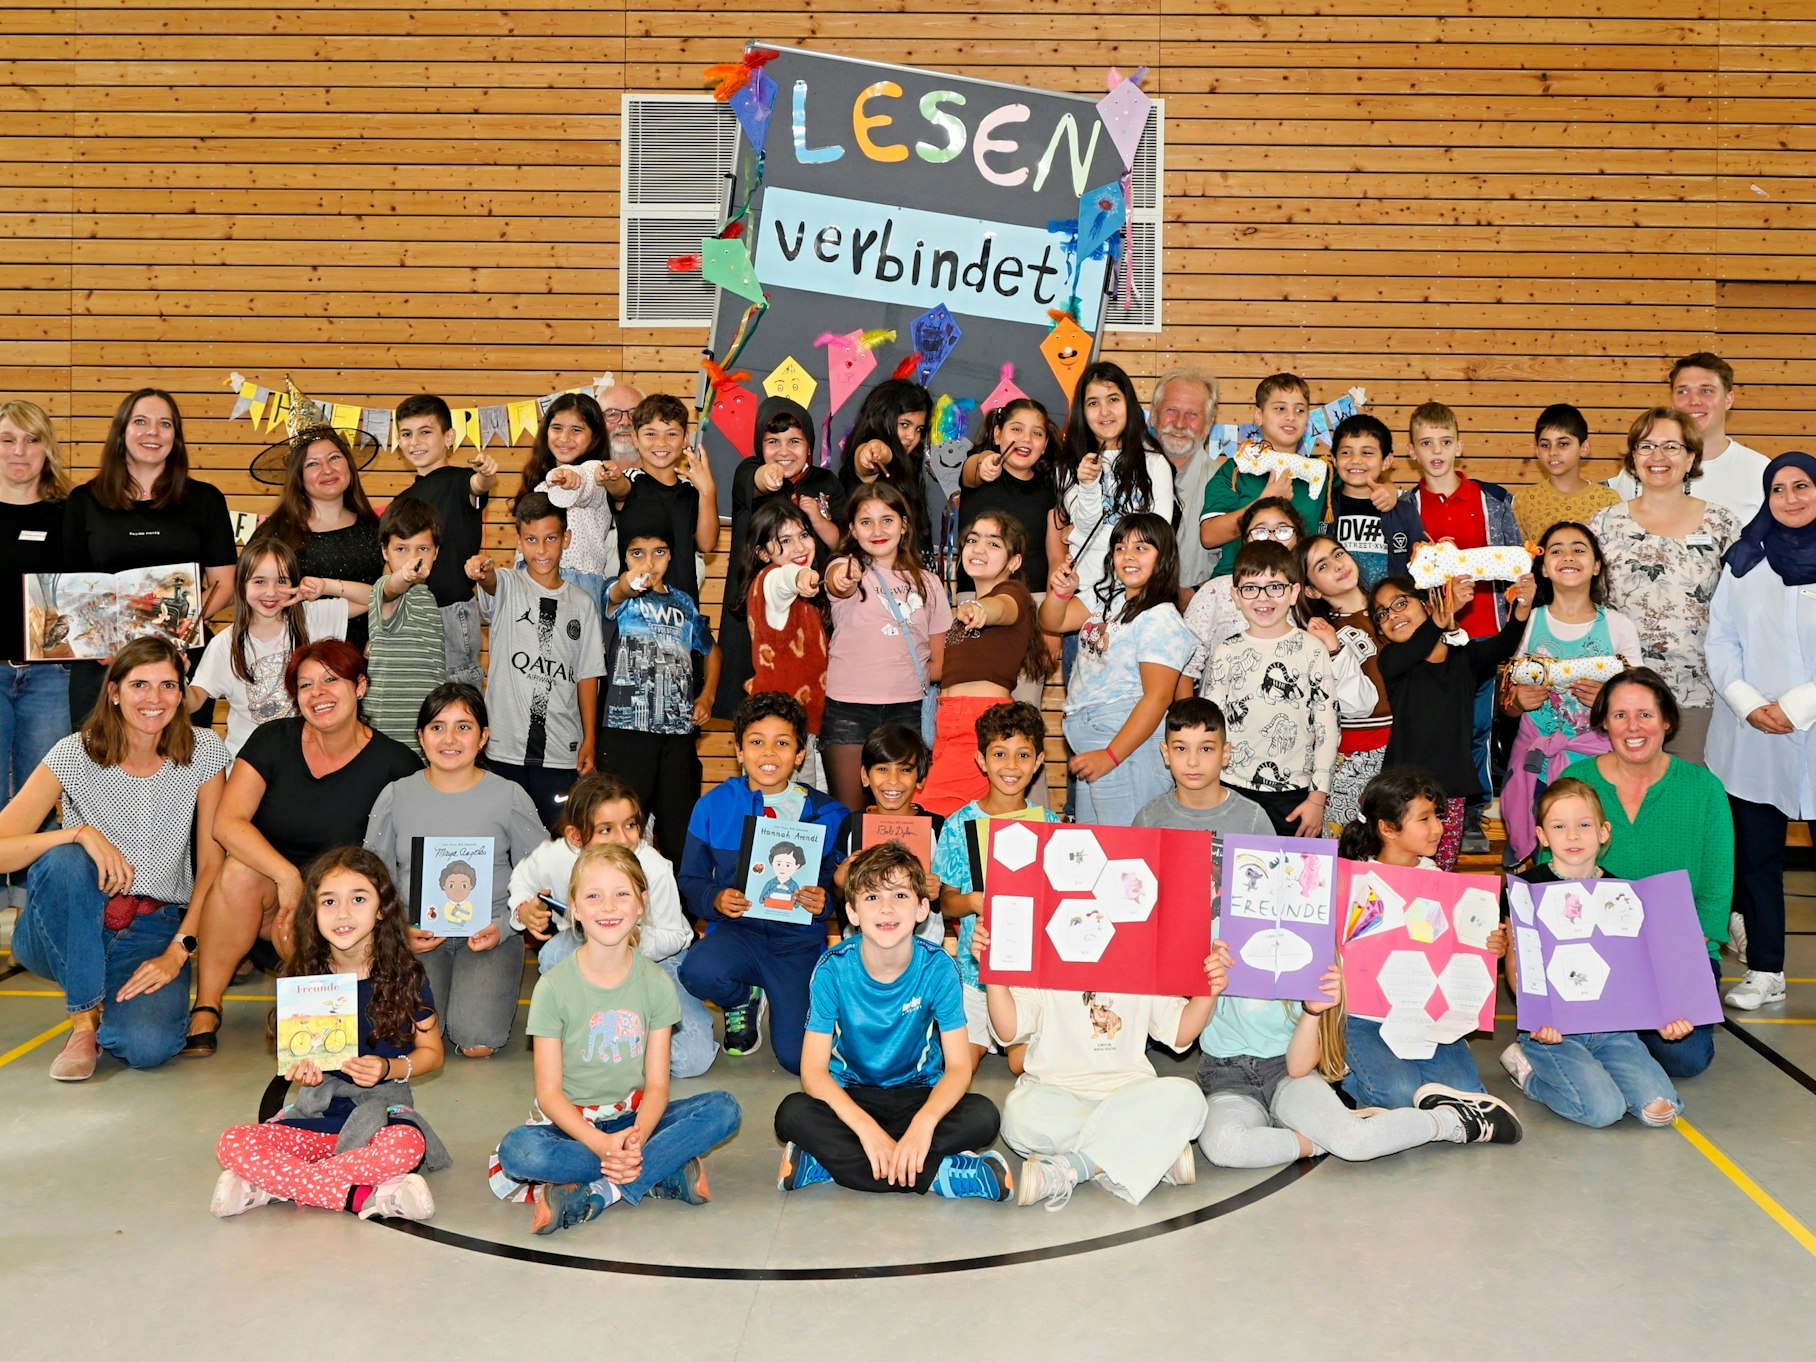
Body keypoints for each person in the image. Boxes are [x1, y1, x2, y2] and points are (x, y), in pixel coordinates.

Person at [0, 636, 230, 1079]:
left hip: (150, 925)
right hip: (68, 920)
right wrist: (79, 833)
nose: (154, 698)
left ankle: (100, 990)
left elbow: (212, 866)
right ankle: (84, 1023)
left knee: (148, 1047)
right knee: (67, 859)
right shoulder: (74, 752)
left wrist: (179, 950)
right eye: (139, 685)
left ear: (181, 694)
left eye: (167, 685)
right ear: (114, 692)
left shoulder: (204, 751)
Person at [492, 843, 742, 1232]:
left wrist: (636, 1138)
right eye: (593, 896)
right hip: (572, 1128)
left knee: (724, 1109)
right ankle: (661, 1169)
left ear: (641, 904)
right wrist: (602, 1145)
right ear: (574, 908)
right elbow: (550, 1095)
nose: (608, 907)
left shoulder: (657, 984)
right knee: (519, 1152)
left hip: (637, 1119)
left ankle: (601, 1191)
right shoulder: (553, 988)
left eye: (622, 894)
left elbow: (657, 1086)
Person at [188, 640, 420, 1054]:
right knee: (239, 869)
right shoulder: (272, 739)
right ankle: (206, 1005)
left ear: (360, 686)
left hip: (342, 911)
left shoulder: (396, 763)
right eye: (306, 685)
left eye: (331, 680)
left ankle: (318, 1017)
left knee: (334, 911)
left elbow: (412, 853)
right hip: (268, 903)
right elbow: (226, 823)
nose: (318, 693)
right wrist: (288, 878)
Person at [210, 848, 447, 1221]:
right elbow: (301, 1054)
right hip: (317, 1116)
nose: (343, 913)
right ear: (313, 912)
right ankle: (360, 1196)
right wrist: (305, 1073)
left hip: (379, 1118)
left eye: (358, 899)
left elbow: (432, 1053)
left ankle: (272, 1186)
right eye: (329, 901)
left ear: (382, 909)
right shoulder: (305, 978)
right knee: (233, 1142)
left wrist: (389, 1068)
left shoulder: (407, 976)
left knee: (406, 1146)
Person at [774, 843, 1010, 1201]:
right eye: (871, 897)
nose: (886, 908)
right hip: (853, 1094)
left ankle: (831, 1163)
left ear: (922, 908)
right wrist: (867, 1130)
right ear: (852, 912)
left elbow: (960, 1068)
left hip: (918, 1094)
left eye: (900, 895)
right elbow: (814, 1072)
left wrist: (923, 1125)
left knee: (984, 1115)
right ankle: (937, 1175)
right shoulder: (832, 968)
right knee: (792, 1113)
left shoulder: (939, 967)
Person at [1196, 949, 1521, 1169]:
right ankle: (1325, 1137)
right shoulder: (1216, 934)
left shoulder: (1313, 948)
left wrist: (1312, 1012)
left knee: (1354, 1142)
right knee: (1224, 1147)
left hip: (1287, 1072)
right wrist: (1205, 978)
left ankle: (1457, 1121)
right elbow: (1181, 1036)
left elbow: (1297, 1068)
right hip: (1227, 1078)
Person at [972, 919, 1215, 1209]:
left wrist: (1209, 990)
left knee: (1189, 1098)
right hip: (1057, 1095)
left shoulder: (1142, 952)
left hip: (1128, 1096)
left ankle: (1073, 1168)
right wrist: (995, 973)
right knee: (1018, 1114)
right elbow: (1008, 1031)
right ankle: (1149, 1152)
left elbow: (1179, 1032)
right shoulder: (1041, 951)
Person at [1560, 669, 1731, 1078]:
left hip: (1677, 956)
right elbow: (1555, 879)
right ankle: (1618, 1030)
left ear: (1666, 720)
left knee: (1684, 1059)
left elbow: (1716, 890)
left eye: (1645, 715)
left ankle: (1619, 1032)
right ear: (1604, 722)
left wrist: (1675, 959)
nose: (1633, 727)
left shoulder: (1704, 788)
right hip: (1595, 953)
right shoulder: (1575, 783)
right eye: (1620, 715)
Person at [365, 683, 545, 1059]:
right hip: (418, 935)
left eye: (463, 727)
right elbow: (371, 880)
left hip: (489, 933)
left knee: (477, 1042)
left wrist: (506, 926)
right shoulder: (395, 795)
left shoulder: (509, 795)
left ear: (483, 737)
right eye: (437, 727)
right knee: (408, 1038)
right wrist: (398, 933)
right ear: (421, 737)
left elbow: (542, 876)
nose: (449, 738)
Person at [1499, 778, 1685, 1128]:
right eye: (1559, 826)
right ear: (1542, 836)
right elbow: (1516, 964)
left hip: (1614, 1029)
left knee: (1660, 1109)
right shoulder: (1525, 889)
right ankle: (1529, 1073)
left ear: (1603, 832)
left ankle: (1599, 1072)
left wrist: (1668, 1013)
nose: (1572, 836)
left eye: (1584, 825)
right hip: (1555, 1030)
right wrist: (1538, 1018)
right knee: (1603, 1111)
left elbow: (1641, 967)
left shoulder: (1621, 892)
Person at [677, 692, 848, 1071]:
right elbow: (690, 879)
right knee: (697, 971)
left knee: (798, 1059)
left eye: (782, 743)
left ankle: (797, 1000)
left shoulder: (829, 814)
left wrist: (826, 902)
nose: (769, 753)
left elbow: (838, 888)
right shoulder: (714, 805)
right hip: (738, 933)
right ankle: (743, 997)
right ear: (738, 750)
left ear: (800, 754)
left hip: (797, 944)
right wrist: (715, 898)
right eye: (756, 742)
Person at [508, 771, 719, 1077]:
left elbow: (676, 935)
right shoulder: (557, 856)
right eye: (606, 829)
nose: (622, 838)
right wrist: (523, 909)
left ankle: (625, 1038)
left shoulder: (654, 867)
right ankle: (584, 1029)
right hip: (586, 945)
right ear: (576, 837)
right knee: (554, 954)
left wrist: (635, 940)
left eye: (630, 825)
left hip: (655, 959)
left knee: (692, 1060)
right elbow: (522, 878)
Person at [1334, 768, 1514, 1110]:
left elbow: (1461, 948)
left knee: (1464, 1092)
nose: (1438, 828)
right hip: (1364, 1018)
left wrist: (1493, 947)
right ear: (1388, 828)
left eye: (1437, 816)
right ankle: (1346, 1076)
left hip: (1431, 1018)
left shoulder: (1441, 882)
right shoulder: (1353, 881)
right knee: (1398, 1093)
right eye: (1424, 819)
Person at [1707, 451, 1816, 1010]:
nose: (1790, 498)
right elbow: (1721, 639)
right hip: (1750, 732)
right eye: (1778, 489)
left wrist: (1798, 706)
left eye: (1802, 486)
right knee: (1758, 859)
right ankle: (1766, 969)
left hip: (1808, 723)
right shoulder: (1745, 561)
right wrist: (1748, 704)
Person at [61, 388, 235, 726]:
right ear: (121, 431)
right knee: (100, 755)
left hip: (181, 655)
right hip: (105, 661)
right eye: (140, 422)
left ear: (176, 437)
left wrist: (172, 633)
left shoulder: (205, 500)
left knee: (180, 754)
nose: (152, 432)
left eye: (164, 424)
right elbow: (72, 589)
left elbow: (224, 584)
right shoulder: (83, 501)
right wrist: (103, 643)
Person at [1402, 400, 1524, 855]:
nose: (1436, 452)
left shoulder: (1492, 502)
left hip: (1484, 634)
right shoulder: (1406, 507)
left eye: (1445, 442)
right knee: (1435, 728)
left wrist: (1517, 603)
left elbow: (1515, 562)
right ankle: (1431, 813)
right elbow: (1402, 577)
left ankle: (1472, 812)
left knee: (1477, 728)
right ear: (1412, 451)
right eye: (1426, 443)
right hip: (1432, 638)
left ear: (1460, 446)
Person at [1590, 407, 1742, 765]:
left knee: (1689, 794)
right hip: (1620, 694)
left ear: (1691, 458)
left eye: (1671, 446)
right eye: (1646, 446)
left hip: (1698, 694)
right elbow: (1584, 606)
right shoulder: (1604, 523)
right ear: (1633, 458)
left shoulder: (1722, 524)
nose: (1657, 456)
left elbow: (1742, 610)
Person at [1498, 521, 1641, 863]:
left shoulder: (1619, 626)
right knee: (1549, 858)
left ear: (1596, 565)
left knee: (1604, 854)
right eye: (1556, 550)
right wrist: (1518, 701)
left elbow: (1640, 700)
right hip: (1539, 764)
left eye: (1579, 549)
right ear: (1544, 568)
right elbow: (1506, 702)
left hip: (1603, 764)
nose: (1568, 556)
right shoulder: (1526, 623)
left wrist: (1609, 701)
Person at [1040, 513, 1195, 825]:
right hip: (1094, 743)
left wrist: (1110, 755)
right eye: (1120, 548)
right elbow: (1052, 621)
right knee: (1097, 845)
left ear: (1163, 557)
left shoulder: (1161, 617)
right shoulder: (1106, 598)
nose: (1128, 556)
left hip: (1124, 746)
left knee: (1128, 845)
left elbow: (1157, 698)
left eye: (1141, 548)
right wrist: (1060, 592)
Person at [1373, 572, 1535, 868]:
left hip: (1452, 790)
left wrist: (1522, 609)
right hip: (1402, 791)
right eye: (1382, 613)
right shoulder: (1391, 660)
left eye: (1400, 603)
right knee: (1400, 869)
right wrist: (1439, 618)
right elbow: (1414, 649)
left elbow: (1502, 646)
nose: (1391, 615)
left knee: (1441, 872)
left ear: (1426, 604)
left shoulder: (1464, 657)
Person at [466, 493, 604, 829]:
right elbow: (490, 581)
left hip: (560, 752)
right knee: (501, 839)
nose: (541, 550)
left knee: (557, 842)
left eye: (550, 539)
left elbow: (587, 676)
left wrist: (589, 739)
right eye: (531, 540)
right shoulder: (508, 584)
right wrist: (480, 571)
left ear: (566, 539)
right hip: (504, 749)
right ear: (518, 541)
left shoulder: (582, 604)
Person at [933, 701, 1058, 1064]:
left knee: (1024, 1065)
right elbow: (946, 902)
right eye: (1000, 754)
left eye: (1023, 755)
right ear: (981, 760)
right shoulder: (959, 824)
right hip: (975, 976)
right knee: (959, 1065)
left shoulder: (1050, 824)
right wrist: (974, 901)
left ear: (1038, 762)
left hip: (1028, 978)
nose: (1011, 765)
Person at [819, 481, 952, 812]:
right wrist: (845, 577)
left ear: (904, 525)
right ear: (852, 529)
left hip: (909, 711)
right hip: (848, 710)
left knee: (901, 818)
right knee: (848, 817)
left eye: (887, 520)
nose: (877, 530)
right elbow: (838, 582)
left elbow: (939, 662)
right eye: (866, 522)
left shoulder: (930, 583)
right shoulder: (845, 568)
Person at [1193, 541, 1341, 837]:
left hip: (1294, 793)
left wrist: (1317, 798)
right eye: (1251, 588)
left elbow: (1328, 727)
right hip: (1231, 786)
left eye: (1275, 587)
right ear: (1236, 596)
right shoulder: (1226, 651)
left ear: (1294, 592)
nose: (1263, 597)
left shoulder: (1313, 649)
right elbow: (1210, 726)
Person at [718, 395, 847, 716]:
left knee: (810, 701)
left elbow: (842, 541)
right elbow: (757, 481)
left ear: (810, 445)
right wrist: (768, 475)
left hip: (813, 610)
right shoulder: (749, 470)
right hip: (757, 611)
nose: (784, 450)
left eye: (794, 441)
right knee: (760, 707)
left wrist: (818, 519)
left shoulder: (825, 482)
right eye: (773, 442)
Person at [598, 523, 720, 861]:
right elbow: (618, 591)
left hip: (677, 736)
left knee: (679, 832)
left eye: (659, 552)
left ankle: (679, 894)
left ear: (671, 556)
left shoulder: (683, 602)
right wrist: (630, 582)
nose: (649, 562)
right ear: (624, 557)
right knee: (621, 828)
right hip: (626, 732)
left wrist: (707, 696)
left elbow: (712, 650)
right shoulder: (616, 593)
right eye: (637, 553)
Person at [920, 512, 1047, 815]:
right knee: (960, 823)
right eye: (973, 540)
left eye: (993, 543)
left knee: (927, 815)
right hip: (949, 724)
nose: (978, 548)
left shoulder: (1013, 593)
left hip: (978, 722)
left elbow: (1000, 608)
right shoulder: (960, 616)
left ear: (1014, 562)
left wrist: (981, 609)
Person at [0, 400, 74, 918]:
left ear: (47, 448)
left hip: (50, 675)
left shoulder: (68, 515)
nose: (19, 452)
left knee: (42, 792)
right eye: (7, 440)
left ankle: (33, 908)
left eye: (31, 440)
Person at [187, 538, 358, 758]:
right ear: (241, 584)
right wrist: (175, 678)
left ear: (295, 583)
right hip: (248, 762)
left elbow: (376, 598)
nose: (271, 592)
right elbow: (193, 702)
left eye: (282, 581)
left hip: (309, 759)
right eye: (259, 581)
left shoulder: (311, 616)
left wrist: (326, 586)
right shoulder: (225, 644)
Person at [1057, 361, 1173, 628]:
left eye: (1113, 399)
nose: (1105, 411)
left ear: (1128, 404)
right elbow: (1088, 524)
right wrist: (1088, 485)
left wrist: (1077, 536)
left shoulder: (1155, 464)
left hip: (1139, 599)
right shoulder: (1069, 466)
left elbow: (1157, 538)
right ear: (1082, 411)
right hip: (1083, 598)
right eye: (1093, 403)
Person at [392, 393, 497, 687]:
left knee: (457, 694)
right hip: (413, 611)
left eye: (425, 432)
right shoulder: (402, 500)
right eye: (407, 434)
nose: (415, 442)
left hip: (451, 611)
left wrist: (486, 473)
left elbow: (480, 484)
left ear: (448, 437)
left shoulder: (461, 480)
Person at [251, 426, 385, 652]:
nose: (327, 469)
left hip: (372, 660)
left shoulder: (377, 530)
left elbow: (392, 596)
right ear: (298, 476)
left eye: (334, 458)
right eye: (312, 464)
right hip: (301, 659)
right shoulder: (275, 535)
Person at [1296, 534, 1393, 835]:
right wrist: (1334, 649)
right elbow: (1355, 706)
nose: (1338, 565)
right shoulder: (1321, 635)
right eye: (1322, 566)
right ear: (1311, 590)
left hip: (1408, 747)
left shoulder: (1396, 607)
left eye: (1338, 554)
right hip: (1356, 756)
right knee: (1350, 848)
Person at [585, 393, 719, 603]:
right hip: (636, 608)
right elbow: (619, 489)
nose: (661, 443)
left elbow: (707, 544)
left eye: (671, 434)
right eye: (650, 434)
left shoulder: (690, 491)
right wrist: (612, 476)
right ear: (635, 439)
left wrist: (707, 491)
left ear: (685, 438)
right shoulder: (631, 481)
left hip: (681, 609)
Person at [1610, 353, 1770, 523]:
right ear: (1672, 401)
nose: (1694, 401)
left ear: (1728, 400)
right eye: (1683, 391)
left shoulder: (1759, 471)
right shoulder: (1642, 470)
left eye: (1706, 391)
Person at [1199, 373, 1328, 577]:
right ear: (1259, 416)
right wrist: (1264, 502)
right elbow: (1209, 536)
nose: (1291, 416)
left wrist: (1382, 486)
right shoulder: (1236, 469)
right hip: (1236, 580)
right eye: (1280, 408)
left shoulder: (1322, 472)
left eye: (1300, 410)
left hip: (1298, 584)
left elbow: (1364, 481)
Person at [738, 499, 828, 786]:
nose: (799, 547)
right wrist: (800, 575)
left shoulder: (807, 603)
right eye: (785, 541)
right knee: (785, 810)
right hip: (779, 734)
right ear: (763, 553)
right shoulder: (771, 579)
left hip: (806, 728)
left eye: (804, 535)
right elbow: (784, 578)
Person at [830, 723, 945, 942]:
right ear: (865, 776)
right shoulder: (852, 826)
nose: (893, 780)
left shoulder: (937, 826)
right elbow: (838, 898)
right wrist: (838, 884)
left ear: (921, 777)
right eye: (882, 769)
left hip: (924, 943)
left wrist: (937, 892)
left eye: (905, 770)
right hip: (862, 945)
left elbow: (949, 898)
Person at [358, 497, 447, 757]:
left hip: (427, 724)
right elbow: (391, 588)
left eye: (423, 549)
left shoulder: (426, 597)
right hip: (389, 728)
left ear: (436, 552)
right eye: (401, 549)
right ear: (385, 551)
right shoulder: (385, 590)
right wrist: (403, 577)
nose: (412, 559)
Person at [1180, 497, 1307, 680]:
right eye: (1260, 532)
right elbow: (1186, 664)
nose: (1271, 538)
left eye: (1283, 531)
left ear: (1298, 538)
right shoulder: (1218, 589)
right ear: (1245, 540)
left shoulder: (1310, 592)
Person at [957, 397, 1066, 602]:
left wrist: (1052, 609)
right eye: (1017, 429)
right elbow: (975, 466)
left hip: (1032, 598)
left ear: (1044, 445)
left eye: (1037, 433)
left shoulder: (1051, 489)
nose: (1026, 439)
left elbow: (1056, 557)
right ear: (998, 434)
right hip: (976, 596)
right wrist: (983, 463)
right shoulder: (978, 472)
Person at [515, 392, 613, 614]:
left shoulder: (597, 474)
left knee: (575, 638)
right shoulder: (538, 481)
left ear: (595, 436)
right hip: (530, 578)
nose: (564, 437)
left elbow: (585, 483)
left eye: (576, 430)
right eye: (557, 428)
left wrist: (570, 477)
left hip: (575, 583)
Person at [1132, 697, 1273, 838]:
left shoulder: (1253, 820)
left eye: (1206, 749)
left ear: (1225, 754)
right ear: (1166, 753)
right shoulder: (1148, 820)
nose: (1193, 762)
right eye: (1181, 748)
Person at [837, 378, 942, 554]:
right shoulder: (871, 456)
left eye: (919, 429)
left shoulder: (909, 467)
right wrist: (876, 450)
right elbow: (867, 460)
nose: (912, 436)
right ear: (879, 419)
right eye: (904, 424)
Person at [1323, 413, 1421, 591]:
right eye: (1346, 452)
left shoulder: (1405, 512)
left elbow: (1420, 568)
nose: (1356, 460)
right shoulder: (1323, 506)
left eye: (1367, 453)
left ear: (1386, 461)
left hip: (1390, 606)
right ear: (1334, 460)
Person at [1149, 369, 1221, 589]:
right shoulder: (1122, 474)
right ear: (1153, 414)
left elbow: (1239, 564)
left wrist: (1196, 594)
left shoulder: (1227, 484)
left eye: (1193, 414)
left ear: (1209, 424)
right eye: (1171, 410)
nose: (1180, 424)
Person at [1512, 403, 1619, 542]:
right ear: (1537, 450)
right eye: (1545, 445)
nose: (1552, 452)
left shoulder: (1607, 500)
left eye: (1563, 444)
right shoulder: (1525, 500)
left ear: (1584, 448)